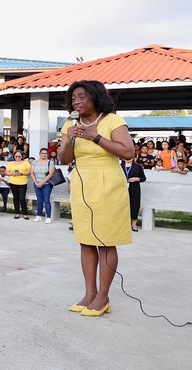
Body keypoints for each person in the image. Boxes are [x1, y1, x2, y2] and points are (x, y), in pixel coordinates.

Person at [58, 80, 135, 317]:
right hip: (82, 183)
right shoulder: (69, 125)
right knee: (86, 239)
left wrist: (95, 137)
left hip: (109, 183)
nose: (76, 102)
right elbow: (63, 159)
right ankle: (89, 294)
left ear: (95, 97)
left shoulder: (112, 121)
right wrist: (69, 138)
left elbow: (128, 152)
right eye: (73, 98)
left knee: (106, 240)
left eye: (81, 97)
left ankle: (103, 296)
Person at [31, 148, 57, 224]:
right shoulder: (35, 162)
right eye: (42, 153)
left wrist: (43, 182)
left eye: (45, 153)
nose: (44, 155)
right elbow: (31, 172)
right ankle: (39, 216)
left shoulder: (50, 162)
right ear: (40, 153)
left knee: (46, 200)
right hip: (37, 183)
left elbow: (51, 173)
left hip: (47, 184)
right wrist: (35, 182)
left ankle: (48, 217)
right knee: (39, 200)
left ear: (47, 154)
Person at [123, 157, 146, 232]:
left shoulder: (137, 167)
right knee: (122, 206)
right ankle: (123, 225)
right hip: (122, 188)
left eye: (130, 157)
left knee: (134, 205)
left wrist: (136, 179)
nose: (128, 158)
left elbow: (143, 178)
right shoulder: (119, 166)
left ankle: (134, 224)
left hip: (134, 188)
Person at [7, 151, 31, 220]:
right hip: (13, 182)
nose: (17, 158)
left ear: (22, 156)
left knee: (22, 198)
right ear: (14, 156)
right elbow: (6, 172)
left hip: (22, 182)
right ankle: (17, 213)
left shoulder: (26, 163)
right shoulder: (10, 163)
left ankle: (25, 213)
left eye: (19, 156)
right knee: (16, 198)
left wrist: (21, 173)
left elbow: (29, 172)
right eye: (16, 156)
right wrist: (12, 174)